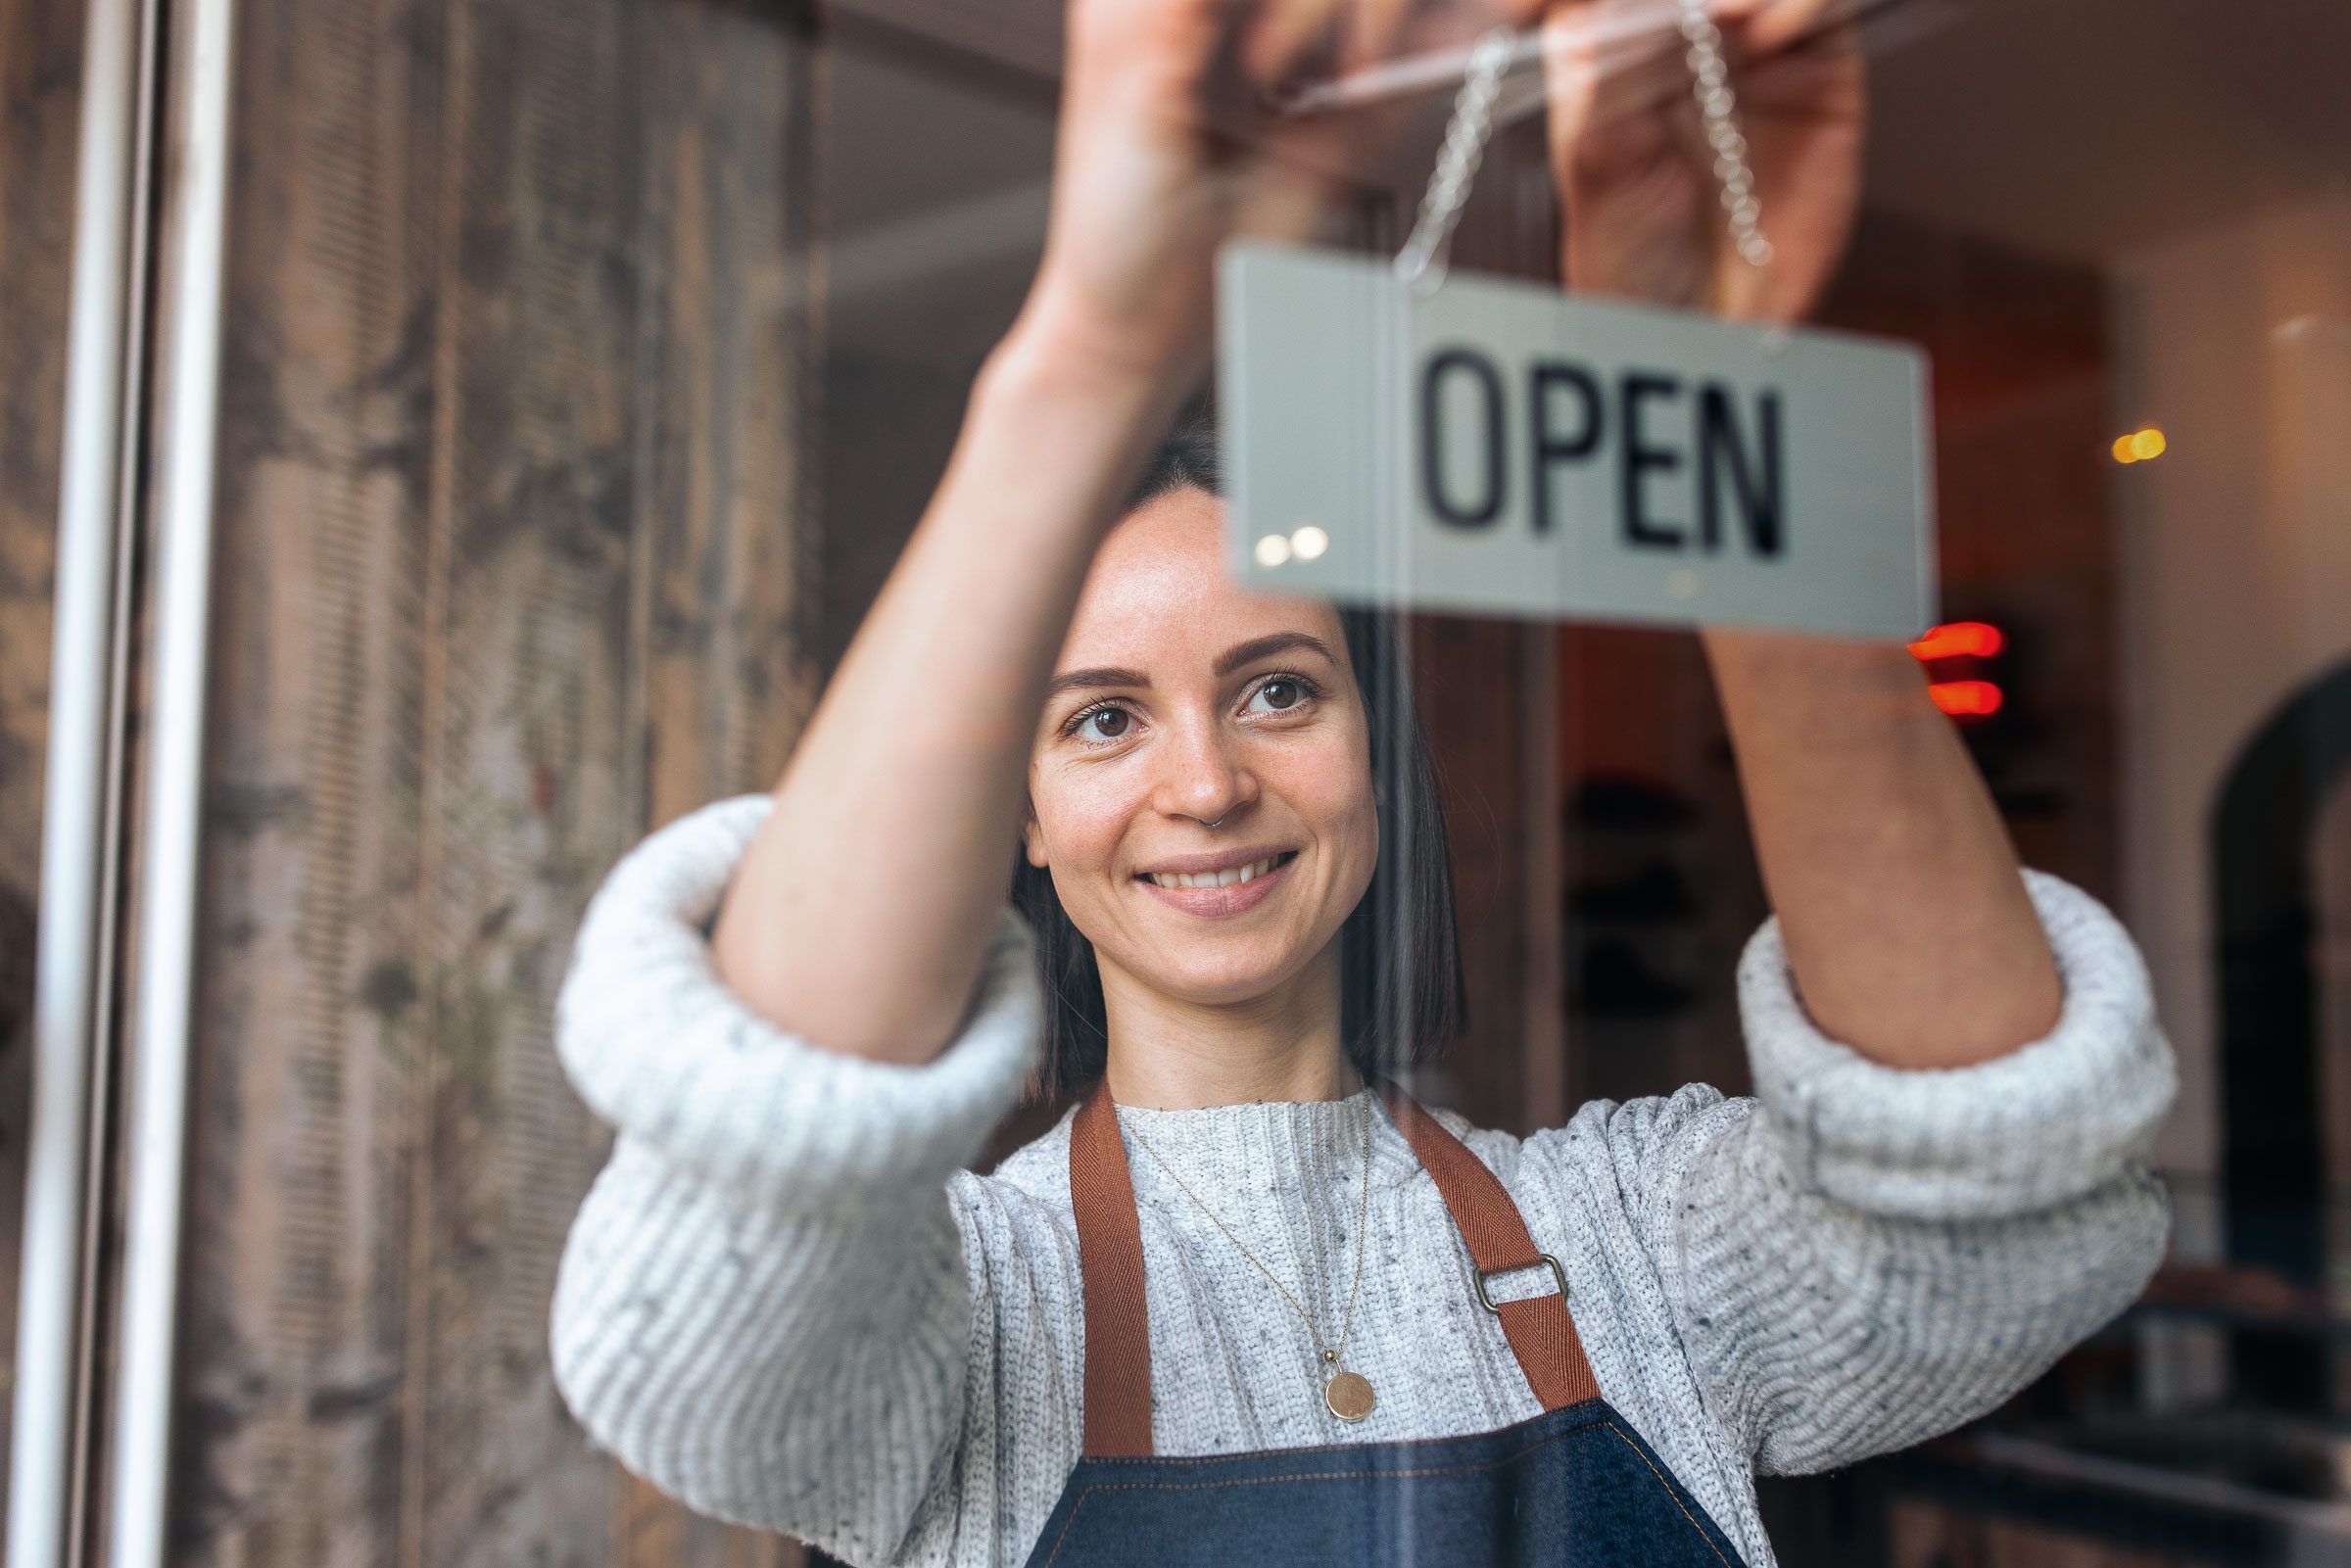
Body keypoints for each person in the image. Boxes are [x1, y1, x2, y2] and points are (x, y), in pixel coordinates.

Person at [548, 2, 2176, 1564]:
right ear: (1021, 824)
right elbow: (701, 1328)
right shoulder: (973, 1307)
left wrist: (1700, 402)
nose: (1207, 781)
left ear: (1375, 761)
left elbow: (2003, 1216)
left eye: (1275, 689)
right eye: (1101, 720)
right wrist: (1097, 348)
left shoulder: (1640, 1242)